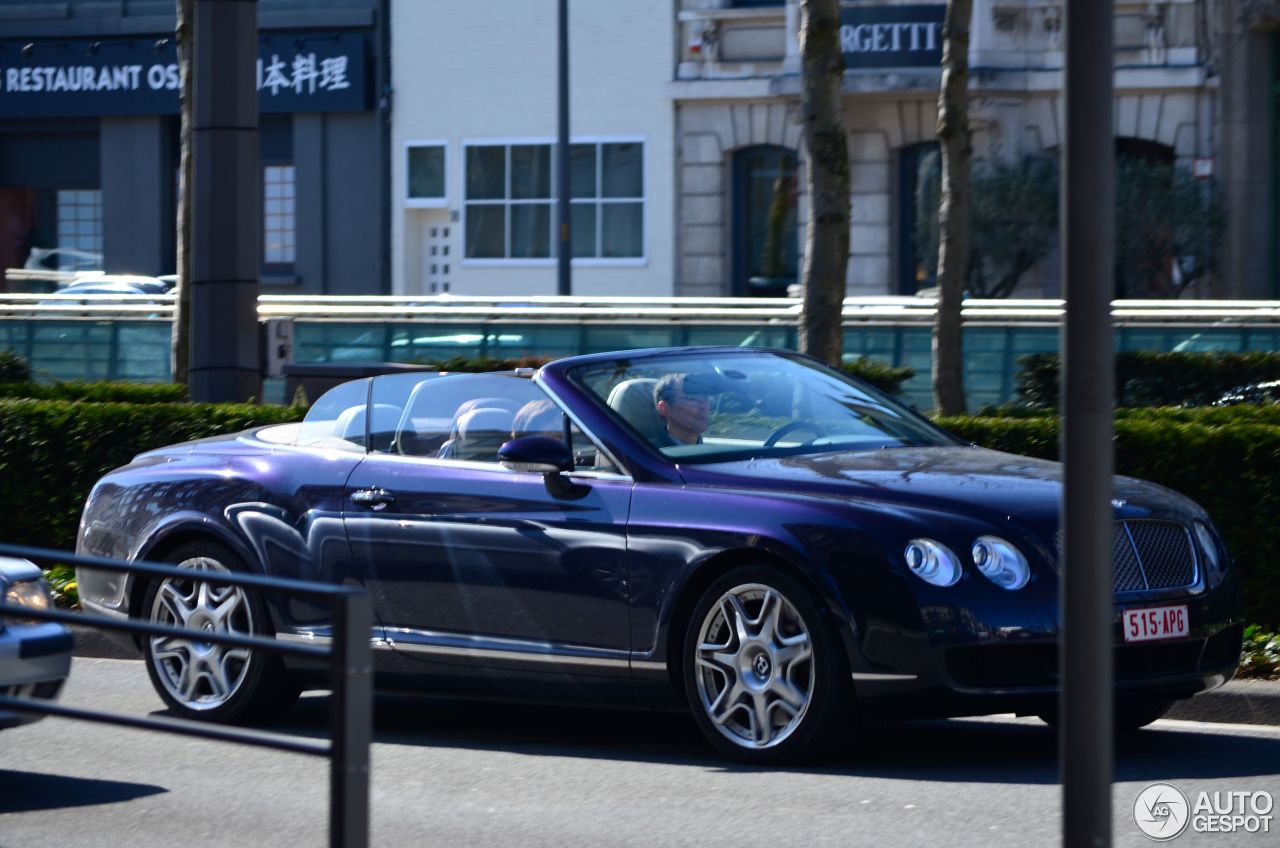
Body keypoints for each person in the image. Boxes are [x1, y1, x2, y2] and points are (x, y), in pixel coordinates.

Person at [653, 373, 712, 447]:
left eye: (705, 398)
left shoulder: (715, 454)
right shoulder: (647, 454)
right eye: (691, 399)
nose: (704, 406)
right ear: (664, 408)